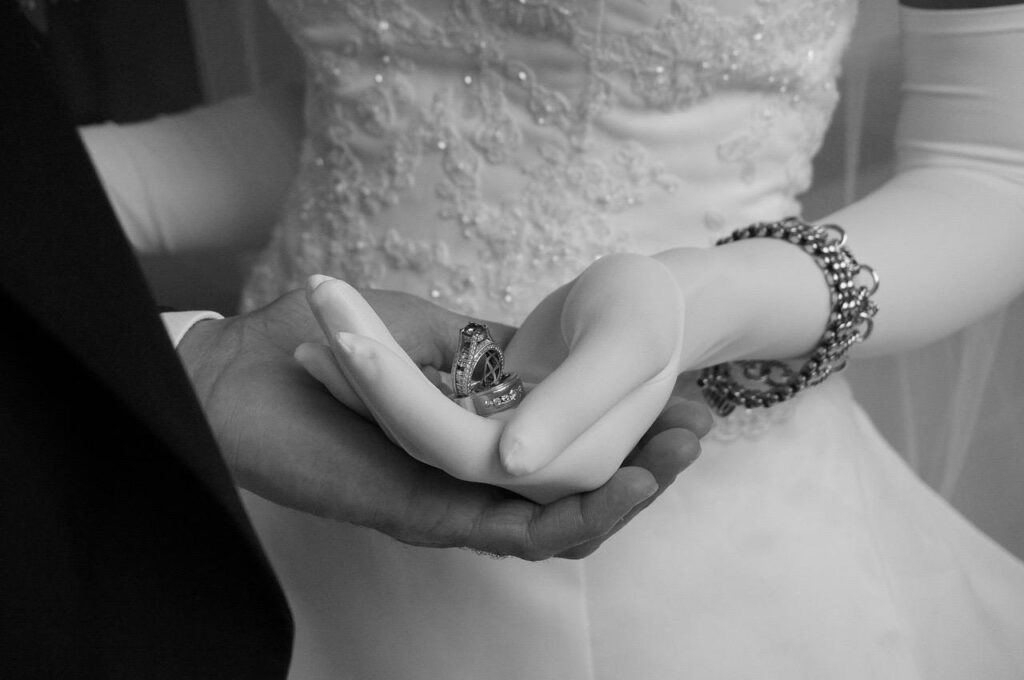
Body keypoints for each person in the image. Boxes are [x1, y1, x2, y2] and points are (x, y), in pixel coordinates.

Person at [80, 0, 1024, 677]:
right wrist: (63, 192)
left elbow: (993, 169)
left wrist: (710, 298)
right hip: (280, 437)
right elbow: (386, 97)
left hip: (680, 511)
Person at [0, 2, 710, 676]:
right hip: (282, 439)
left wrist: (719, 300)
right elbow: (367, 105)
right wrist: (52, 214)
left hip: (664, 432)